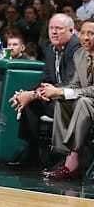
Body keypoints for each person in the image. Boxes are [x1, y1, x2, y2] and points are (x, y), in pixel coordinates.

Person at [9, 13, 81, 167]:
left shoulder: (77, 48)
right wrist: (25, 94)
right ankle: (33, 153)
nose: (54, 32)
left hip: (73, 99)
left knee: (60, 106)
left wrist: (35, 95)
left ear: (70, 31)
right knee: (28, 105)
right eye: (51, 28)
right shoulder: (50, 49)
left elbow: (71, 83)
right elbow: (44, 78)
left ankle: (64, 158)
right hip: (53, 95)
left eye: (59, 28)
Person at [36, 18, 94, 179]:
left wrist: (61, 92)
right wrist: (58, 92)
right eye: (83, 33)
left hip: (90, 101)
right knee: (62, 101)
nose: (86, 37)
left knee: (82, 102)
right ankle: (65, 155)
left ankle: (72, 161)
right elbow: (75, 84)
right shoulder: (81, 55)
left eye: (91, 34)